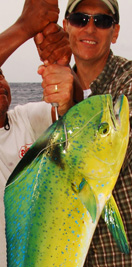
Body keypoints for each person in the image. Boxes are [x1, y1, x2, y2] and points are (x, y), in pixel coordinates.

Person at [35, 0, 132, 266]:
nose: (90, 28)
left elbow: (109, 147)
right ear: (67, 27)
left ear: (115, 32)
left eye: (102, 21)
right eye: (80, 19)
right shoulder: (51, 104)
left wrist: (71, 103)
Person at [0, 1, 76, 266]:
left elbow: (71, 113)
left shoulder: (26, 118)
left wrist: (63, 67)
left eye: (0, 75)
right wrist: (25, 26)